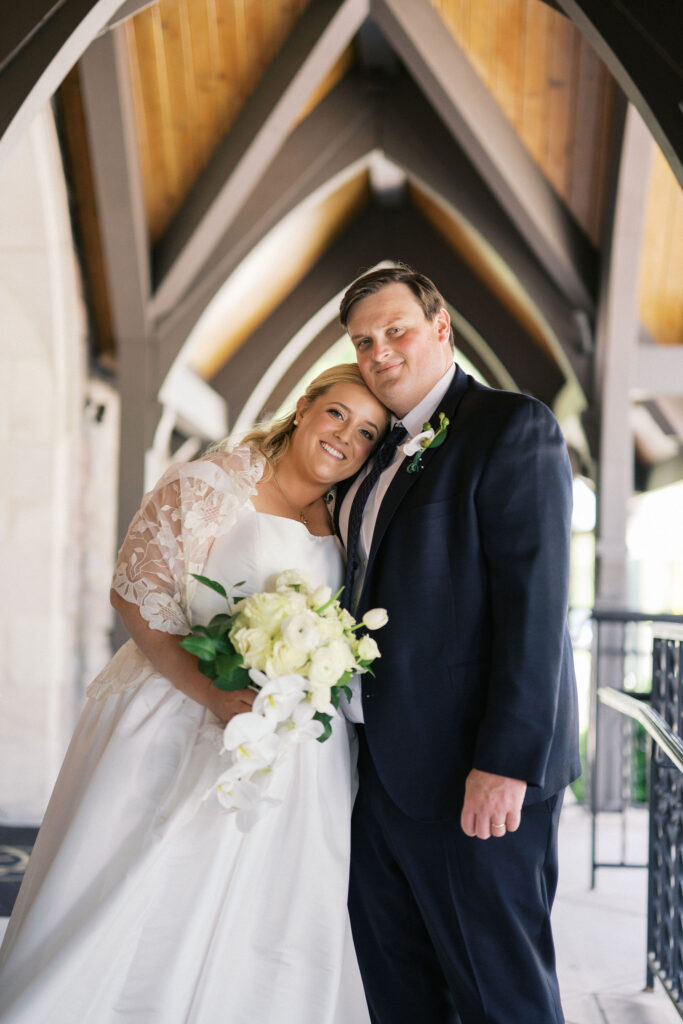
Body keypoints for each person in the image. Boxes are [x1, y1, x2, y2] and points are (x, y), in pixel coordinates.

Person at [0, 364, 388, 1024]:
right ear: (302, 409)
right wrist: (210, 691)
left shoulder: (346, 517)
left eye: (366, 432)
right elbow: (137, 594)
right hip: (178, 711)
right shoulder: (215, 483)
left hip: (294, 750)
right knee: (144, 884)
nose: (345, 437)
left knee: (272, 908)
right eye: (336, 414)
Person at [334, 265, 581, 1023]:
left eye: (396, 330)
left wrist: (505, 763)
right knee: (400, 990)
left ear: (440, 328)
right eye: (362, 340)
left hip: (476, 778)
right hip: (377, 775)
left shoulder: (511, 427)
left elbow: (533, 607)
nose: (380, 351)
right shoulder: (370, 454)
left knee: (498, 995)